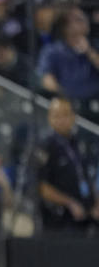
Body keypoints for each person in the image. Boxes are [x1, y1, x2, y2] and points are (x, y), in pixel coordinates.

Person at [37, 96, 99, 232]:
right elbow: (41, 187)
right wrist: (70, 203)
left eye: (65, 115)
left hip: (86, 219)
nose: (61, 120)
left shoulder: (80, 143)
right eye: (56, 115)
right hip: (59, 221)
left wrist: (95, 203)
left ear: (73, 117)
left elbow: (88, 177)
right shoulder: (45, 146)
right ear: (49, 118)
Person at [37, 6, 99, 104]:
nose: (86, 21)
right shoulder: (52, 51)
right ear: (66, 27)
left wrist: (89, 52)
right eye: (79, 20)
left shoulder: (95, 45)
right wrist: (65, 95)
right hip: (68, 103)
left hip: (95, 102)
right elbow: (47, 80)